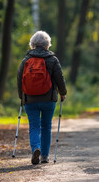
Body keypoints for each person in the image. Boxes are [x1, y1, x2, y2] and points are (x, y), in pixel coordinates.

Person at [17, 31, 67, 165]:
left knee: (34, 126)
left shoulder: (26, 60)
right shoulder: (52, 60)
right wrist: (63, 92)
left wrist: (21, 97)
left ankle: (36, 148)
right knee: (46, 126)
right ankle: (44, 156)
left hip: (30, 99)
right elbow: (59, 78)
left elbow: (19, 79)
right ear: (47, 45)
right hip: (48, 100)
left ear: (33, 44)